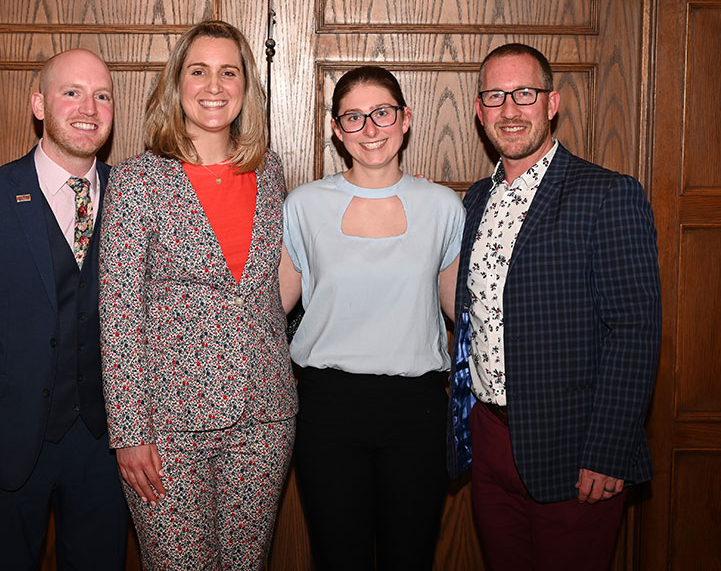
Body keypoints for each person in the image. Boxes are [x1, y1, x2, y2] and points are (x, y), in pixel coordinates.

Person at [447, 43, 662, 571]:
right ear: (479, 111)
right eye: (495, 97)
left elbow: (634, 330)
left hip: (574, 448)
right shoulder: (475, 200)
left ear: (552, 103)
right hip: (490, 441)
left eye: (525, 93)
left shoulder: (607, 194)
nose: (510, 110)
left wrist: (609, 451)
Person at [98, 20, 297, 570]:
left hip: (264, 416)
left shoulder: (270, 171)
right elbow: (118, 314)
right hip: (167, 426)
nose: (215, 86)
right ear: (176, 84)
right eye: (199, 71)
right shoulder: (138, 180)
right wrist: (129, 433)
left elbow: (277, 283)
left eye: (228, 72)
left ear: (246, 85)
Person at [0, 48, 128, 569]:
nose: (89, 107)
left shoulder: (135, 198)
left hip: (108, 447)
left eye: (102, 95)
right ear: (39, 104)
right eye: (71, 92)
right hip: (2, 447)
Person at [280, 66, 465, 570]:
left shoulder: (444, 206)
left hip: (417, 410)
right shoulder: (303, 206)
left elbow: (461, 309)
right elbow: (266, 309)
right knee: (338, 557)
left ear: (405, 119)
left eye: (382, 113)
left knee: (411, 556)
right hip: (327, 408)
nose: (370, 129)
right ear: (337, 131)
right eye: (354, 118)